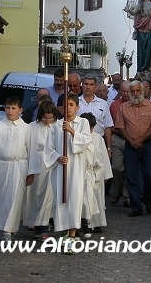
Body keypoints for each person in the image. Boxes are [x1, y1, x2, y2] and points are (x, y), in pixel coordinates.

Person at [0, 97, 35, 242]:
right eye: (8, 108)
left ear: (20, 110)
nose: (10, 111)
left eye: (13, 108)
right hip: (1, 165)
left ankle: (8, 230)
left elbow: (32, 151)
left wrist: (31, 172)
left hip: (19, 166)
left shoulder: (27, 128)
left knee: (14, 198)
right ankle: (4, 227)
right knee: (2, 197)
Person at [44, 93, 92, 254]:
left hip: (76, 169)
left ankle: (72, 235)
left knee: (74, 200)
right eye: (66, 105)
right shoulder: (56, 126)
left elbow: (86, 141)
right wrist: (57, 157)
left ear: (77, 107)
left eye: (72, 105)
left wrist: (71, 131)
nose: (69, 108)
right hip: (61, 169)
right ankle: (64, 232)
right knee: (60, 201)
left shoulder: (83, 123)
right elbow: (48, 148)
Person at [115, 80, 151, 217]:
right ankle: (136, 207)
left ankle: (147, 200)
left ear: (143, 91)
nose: (135, 94)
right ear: (129, 93)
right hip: (130, 145)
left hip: (148, 144)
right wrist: (132, 141)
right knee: (132, 177)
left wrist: (140, 140)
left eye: (138, 91)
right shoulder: (124, 107)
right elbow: (120, 127)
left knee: (149, 174)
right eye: (133, 91)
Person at [24, 101, 57, 241]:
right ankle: (36, 226)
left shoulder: (57, 127)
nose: (48, 121)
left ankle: (44, 226)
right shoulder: (32, 127)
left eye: (50, 118)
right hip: (35, 164)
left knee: (47, 197)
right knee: (34, 196)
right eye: (45, 118)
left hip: (51, 165)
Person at [80, 113, 112, 235]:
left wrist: (106, 174)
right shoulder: (78, 138)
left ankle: (97, 223)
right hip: (83, 172)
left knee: (97, 198)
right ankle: (85, 223)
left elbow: (103, 156)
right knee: (84, 200)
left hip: (95, 172)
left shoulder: (98, 138)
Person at [77, 74, 113, 159]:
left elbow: (107, 126)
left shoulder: (103, 104)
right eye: (86, 84)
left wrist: (108, 149)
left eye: (91, 84)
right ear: (82, 85)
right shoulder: (75, 102)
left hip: (98, 142)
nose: (88, 87)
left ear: (95, 87)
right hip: (79, 142)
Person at [109, 80, 131, 207]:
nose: (125, 93)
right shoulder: (114, 105)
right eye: (123, 91)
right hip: (117, 137)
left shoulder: (135, 104)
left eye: (128, 91)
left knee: (130, 168)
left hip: (131, 138)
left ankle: (126, 196)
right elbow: (111, 123)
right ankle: (117, 190)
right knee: (117, 167)